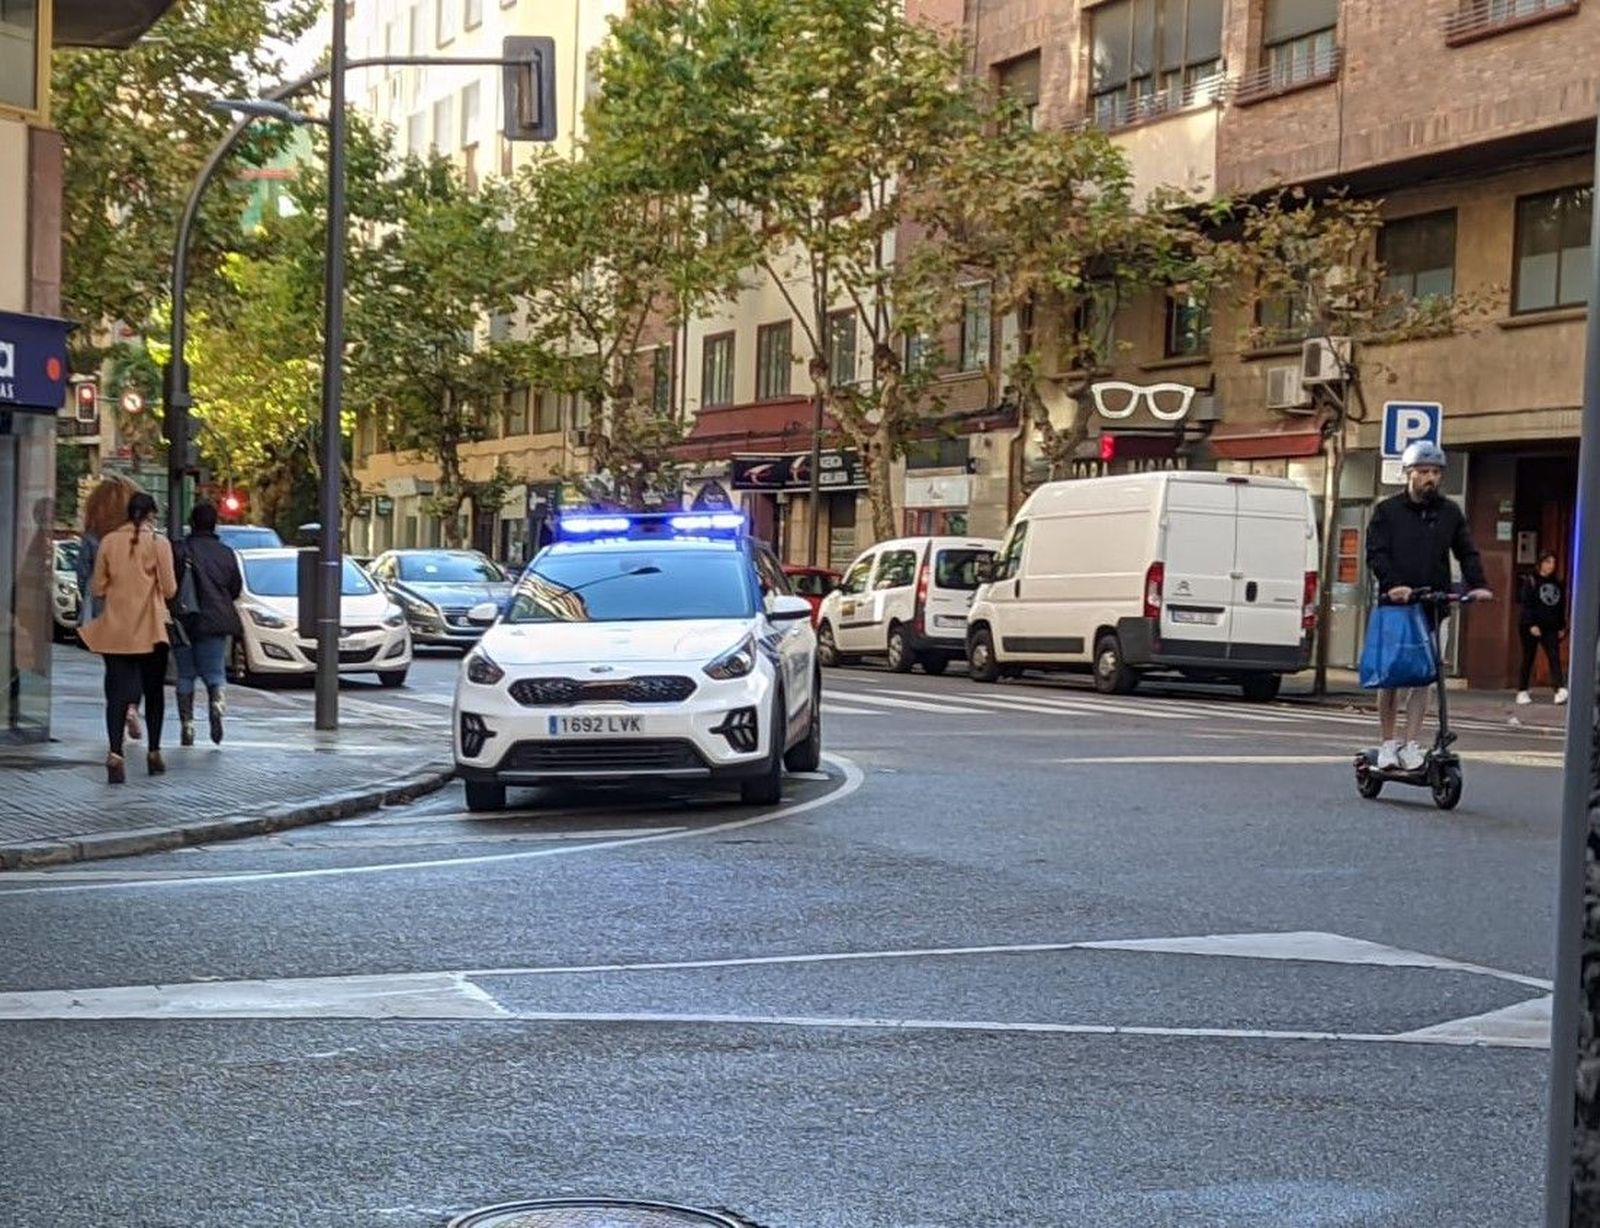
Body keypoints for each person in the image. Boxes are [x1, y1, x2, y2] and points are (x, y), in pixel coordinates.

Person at [1365, 441, 1493, 772]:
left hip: (1434, 605)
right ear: (1408, 474)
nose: (1430, 478)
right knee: (1392, 678)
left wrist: (1477, 584)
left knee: (1426, 679)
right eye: (1423, 472)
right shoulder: (1387, 511)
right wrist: (1394, 585)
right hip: (1397, 608)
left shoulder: (1449, 512)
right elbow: (1376, 553)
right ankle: (1388, 743)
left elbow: (1466, 550)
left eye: (1436, 472)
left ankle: (1411, 743)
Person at [77, 492, 178, 783]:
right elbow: (170, 589)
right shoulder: (159, 543)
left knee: (117, 694)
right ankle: (154, 752)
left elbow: (97, 587)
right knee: (154, 692)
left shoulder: (109, 541)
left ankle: (115, 753)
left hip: (116, 629)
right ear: (151, 515)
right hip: (151, 629)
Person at [78, 476, 145, 745]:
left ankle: (118, 715)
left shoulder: (93, 536)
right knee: (137, 664)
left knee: (114, 667)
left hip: (105, 610)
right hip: (137, 608)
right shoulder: (140, 534)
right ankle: (133, 706)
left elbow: (83, 574)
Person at [171, 500, 244, 746]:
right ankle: (217, 704)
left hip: (183, 621)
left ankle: (187, 726)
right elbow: (235, 588)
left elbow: (170, 586)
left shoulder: (179, 550)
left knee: (185, 675)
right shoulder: (226, 553)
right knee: (215, 673)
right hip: (214, 621)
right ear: (215, 525)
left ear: (192, 523)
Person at [1517, 550, 1569, 707]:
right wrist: (1531, 624)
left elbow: (1560, 606)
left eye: (1553, 562)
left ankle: (1559, 689)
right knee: (1529, 657)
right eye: (1547, 562)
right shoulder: (1531, 581)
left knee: (1554, 656)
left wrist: (1562, 626)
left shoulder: (1557, 583)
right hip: (1531, 626)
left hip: (1550, 626)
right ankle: (1522, 690)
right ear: (1540, 563)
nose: (1550, 566)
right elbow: (1526, 604)